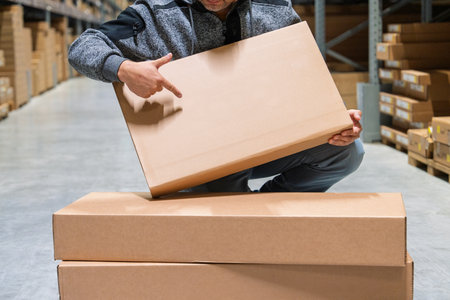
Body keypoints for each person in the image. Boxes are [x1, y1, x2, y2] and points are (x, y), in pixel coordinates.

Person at [68, 0, 364, 193]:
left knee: (346, 152)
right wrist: (123, 68)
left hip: (267, 137)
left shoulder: (273, 9)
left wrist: (334, 117)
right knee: (224, 195)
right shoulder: (155, 14)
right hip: (202, 151)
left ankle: (263, 210)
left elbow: (302, 72)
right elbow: (83, 46)